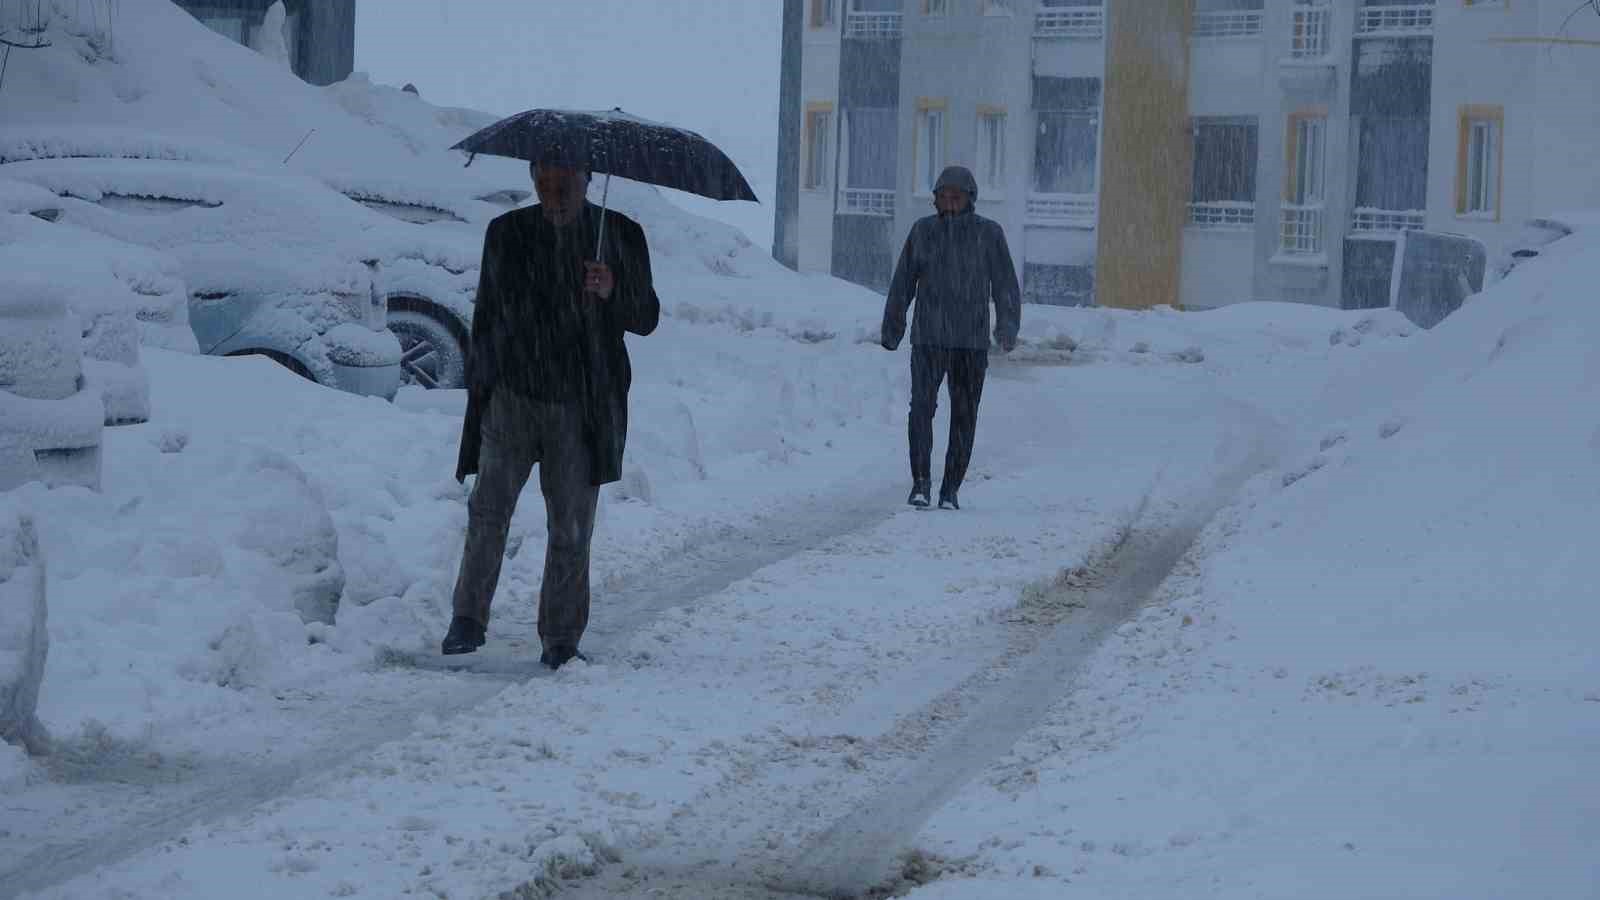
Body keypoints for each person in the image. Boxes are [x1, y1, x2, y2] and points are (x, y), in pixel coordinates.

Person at [442, 156, 660, 667]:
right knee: (488, 512)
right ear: (533, 182)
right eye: (544, 184)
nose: (555, 196)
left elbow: (646, 317)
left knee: (570, 525)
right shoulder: (507, 233)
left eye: (565, 185)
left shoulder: (619, 235)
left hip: (581, 404)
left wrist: (612, 290)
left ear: (587, 181)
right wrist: (483, 388)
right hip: (513, 397)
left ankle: (561, 638)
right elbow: (488, 311)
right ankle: (467, 620)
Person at [880, 165, 1020, 511]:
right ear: (935, 200)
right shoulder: (923, 232)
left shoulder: (989, 234)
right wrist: (893, 327)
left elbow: (1005, 285)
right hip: (929, 338)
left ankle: (950, 489)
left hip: (970, 343)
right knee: (921, 410)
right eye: (943, 197)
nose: (949, 203)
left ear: (970, 199)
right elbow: (902, 283)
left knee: (964, 415)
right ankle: (921, 483)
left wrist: (1007, 327)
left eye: (956, 197)